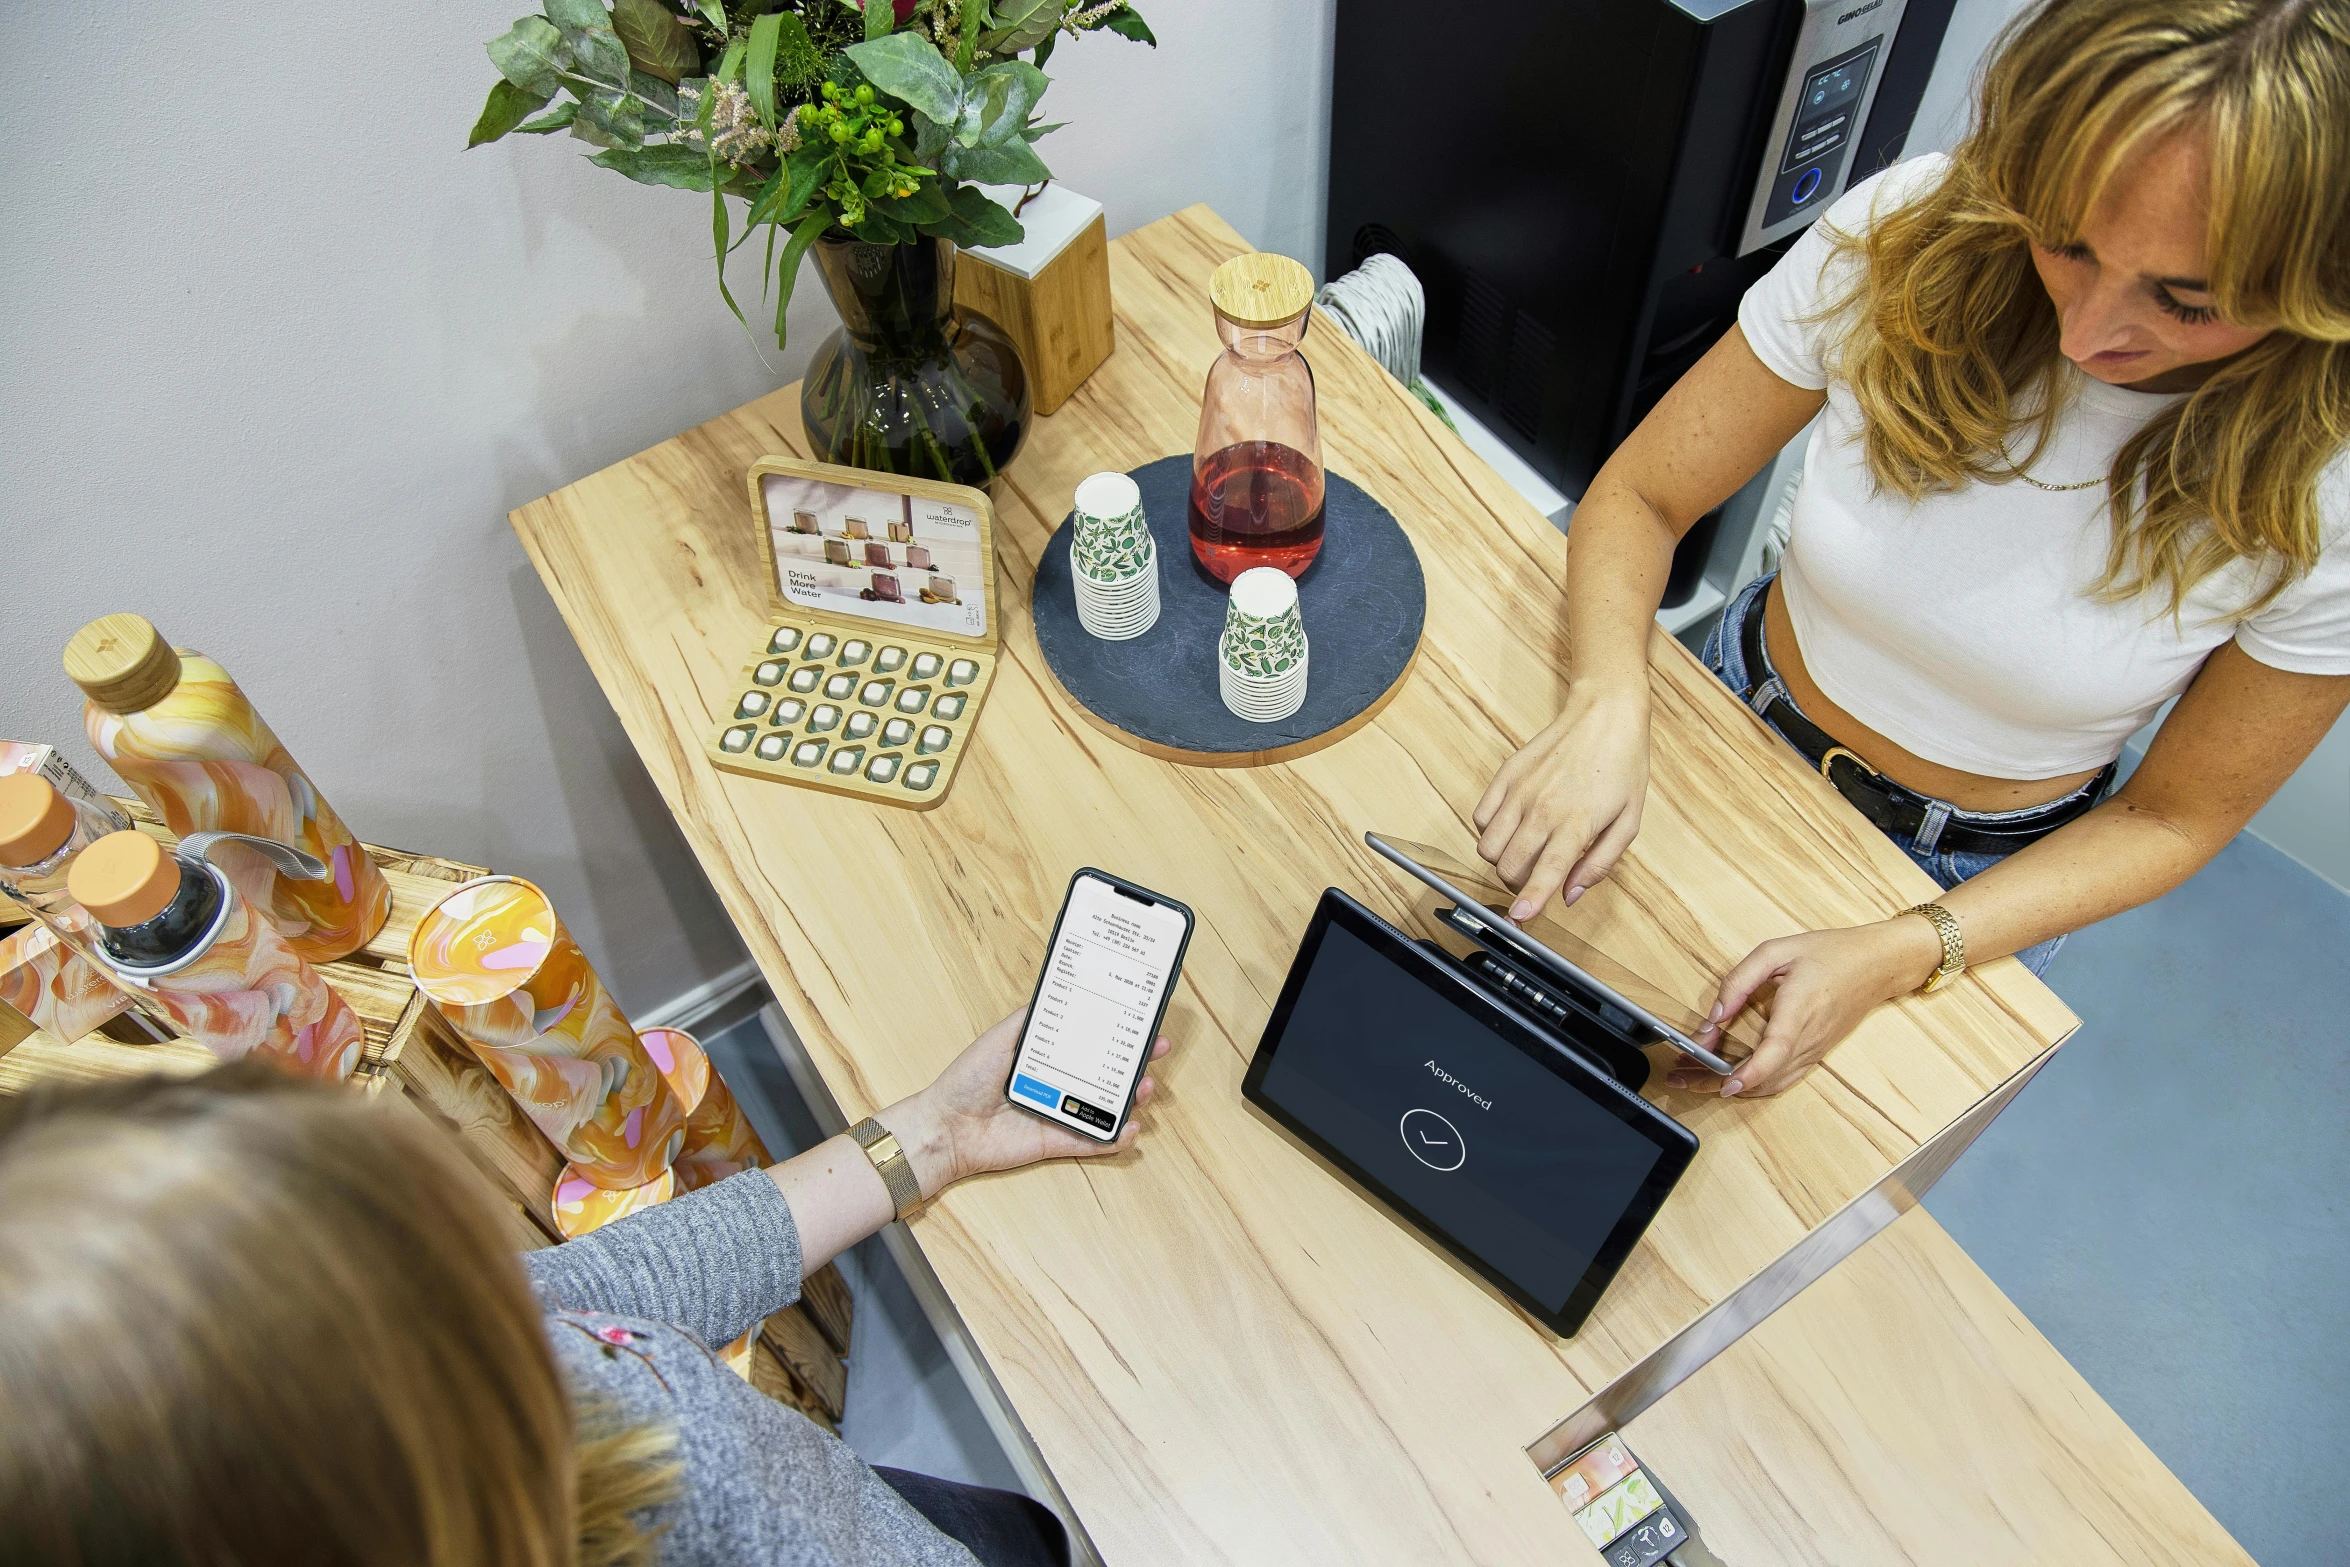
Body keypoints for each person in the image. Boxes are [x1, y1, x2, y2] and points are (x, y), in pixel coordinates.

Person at [1474, 0, 2350, 1098]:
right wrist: (1608, 698)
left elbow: (2173, 818)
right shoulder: (1911, 230)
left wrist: (1902, 947)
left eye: (2186, 304)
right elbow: (1644, 497)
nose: (2087, 334)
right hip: (1721, 714)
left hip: (1970, 881)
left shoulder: (2328, 487)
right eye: (2065, 241)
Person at [0, 1010, 1167, 1567]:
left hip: (859, 1512)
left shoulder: (379, 1366)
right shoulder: (652, 1503)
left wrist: (936, 1135)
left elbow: (600, 1284)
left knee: (1024, 1536)